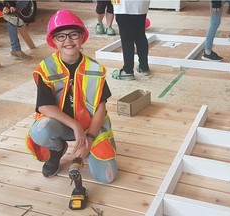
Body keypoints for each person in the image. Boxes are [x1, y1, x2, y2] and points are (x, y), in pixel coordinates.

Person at [25, 9, 118, 184]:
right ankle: (57, 151)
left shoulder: (95, 69)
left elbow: (101, 108)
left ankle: (87, 151)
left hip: (91, 126)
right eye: (61, 36)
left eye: (73, 34)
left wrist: (89, 140)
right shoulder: (46, 68)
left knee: (107, 177)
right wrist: (75, 125)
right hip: (61, 126)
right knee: (40, 131)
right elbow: (44, 106)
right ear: (53, 41)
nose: (68, 40)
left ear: (82, 37)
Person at [112, 0, 151, 80]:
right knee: (140, 35)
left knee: (127, 38)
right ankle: (144, 66)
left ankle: (128, 70)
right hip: (141, 5)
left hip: (124, 5)